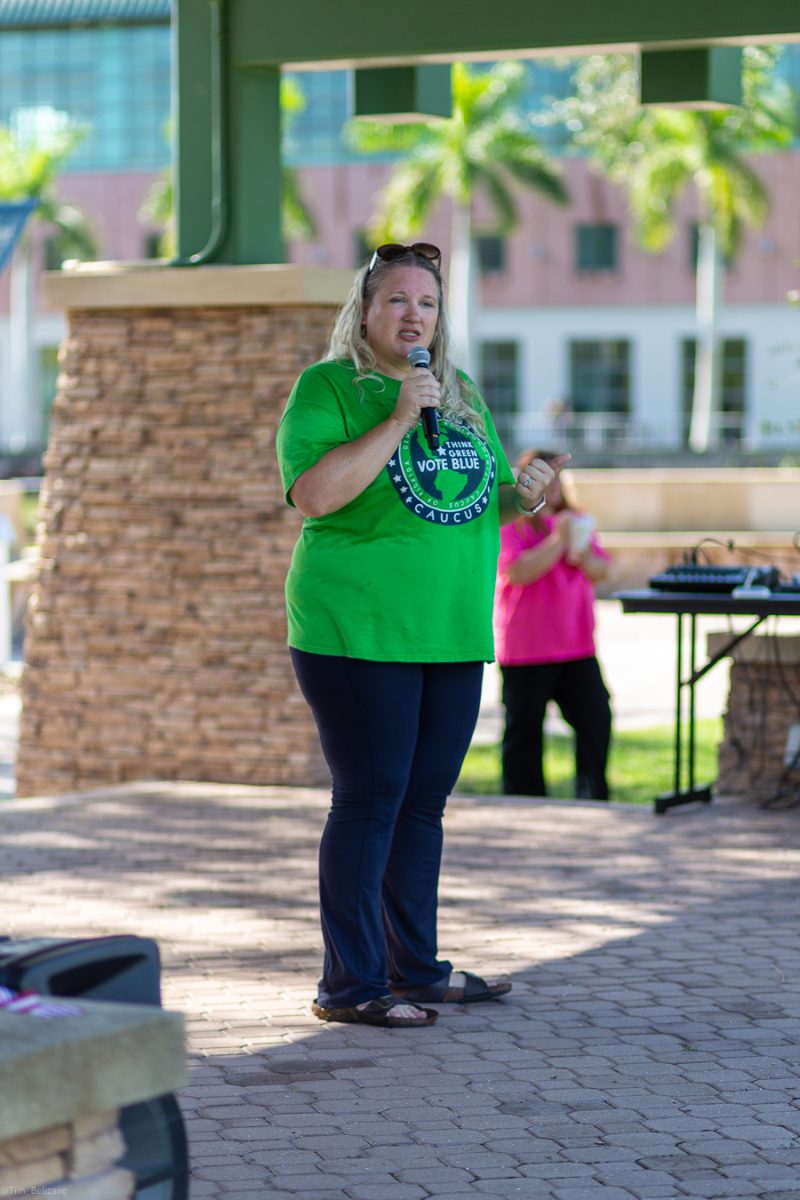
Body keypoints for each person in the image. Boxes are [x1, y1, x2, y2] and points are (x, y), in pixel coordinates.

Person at [276, 242, 568, 1028]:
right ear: (365, 312)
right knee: (370, 801)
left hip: (449, 629)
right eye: (398, 300)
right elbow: (315, 495)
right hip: (357, 629)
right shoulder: (329, 388)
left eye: (429, 304)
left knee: (422, 806)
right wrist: (401, 416)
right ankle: (351, 985)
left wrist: (527, 496)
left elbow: (482, 501)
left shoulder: (461, 391)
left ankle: (415, 969)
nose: (415, 315)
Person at [493, 451, 612, 801]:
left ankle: (592, 794)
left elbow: (602, 570)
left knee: (595, 720)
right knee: (524, 732)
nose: (553, 486)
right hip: (526, 647)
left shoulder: (577, 521)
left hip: (576, 645)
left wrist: (583, 555)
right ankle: (523, 802)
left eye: (557, 479)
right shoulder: (510, 523)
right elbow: (518, 571)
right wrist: (558, 541)